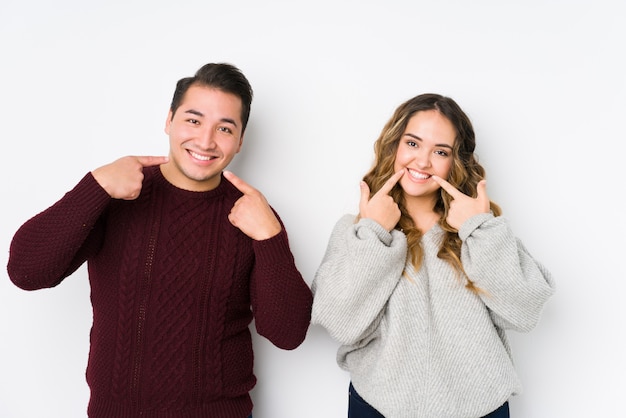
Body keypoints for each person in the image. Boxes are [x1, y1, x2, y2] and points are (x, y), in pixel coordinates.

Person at [7, 62, 313, 418]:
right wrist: (94, 187)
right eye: (193, 120)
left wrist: (270, 238)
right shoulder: (116, 194)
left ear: (240, 140)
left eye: (224, 128)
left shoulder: (253, 215)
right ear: (169, 121)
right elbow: (26, 272)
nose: (205, 141)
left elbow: (288, 334)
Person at [310, 93, 555, 418]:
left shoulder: (479, 229)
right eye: (412, 144)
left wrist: (478, 227)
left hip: (481, 408)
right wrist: (374, 232)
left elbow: (525, 310)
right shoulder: (359, 230)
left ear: (456, 161)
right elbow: (340, 323)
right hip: (379, 406)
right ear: (394, 145)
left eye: (440, 151)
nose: (423, 161)